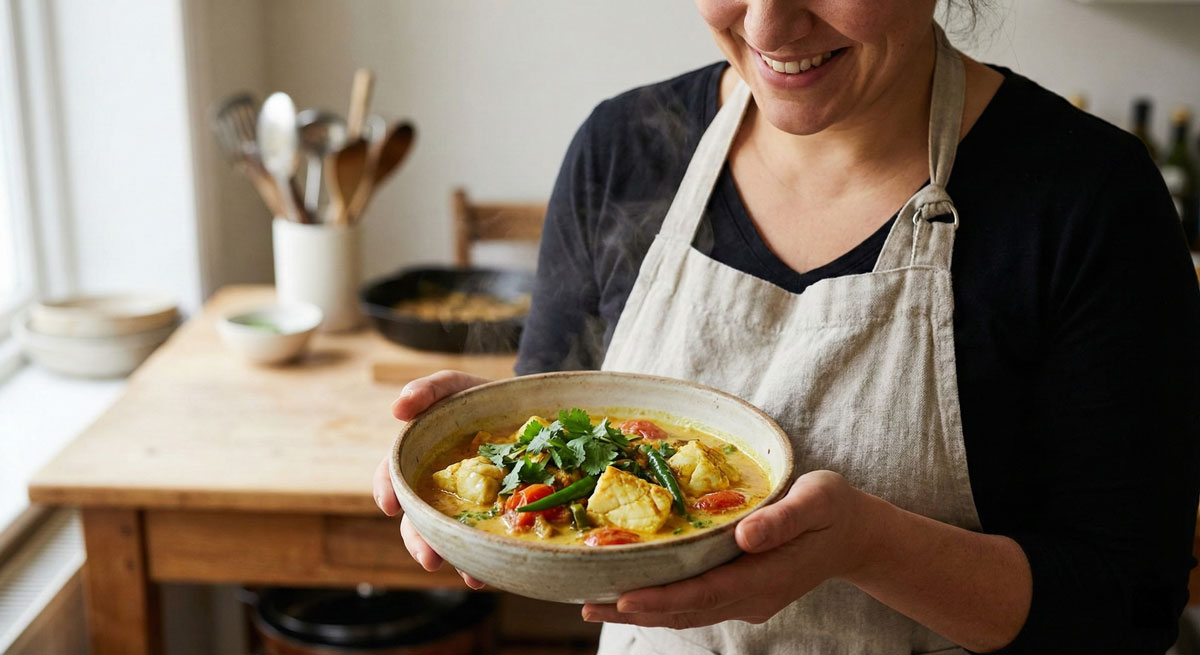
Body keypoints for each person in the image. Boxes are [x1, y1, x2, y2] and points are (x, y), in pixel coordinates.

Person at [373, 0, 1200, 652]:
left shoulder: (1089, 201)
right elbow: (561, 415)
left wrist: (868, 546)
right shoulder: (621, 149)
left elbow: (1129, 605)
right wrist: (492, 462)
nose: (768, 25)